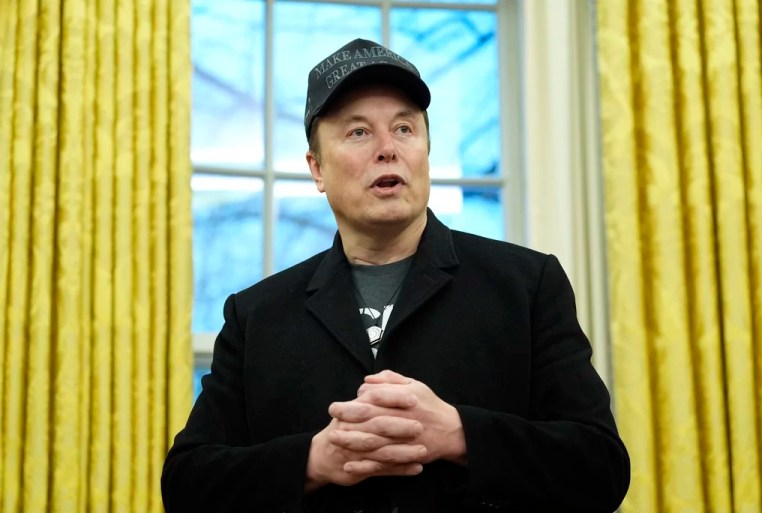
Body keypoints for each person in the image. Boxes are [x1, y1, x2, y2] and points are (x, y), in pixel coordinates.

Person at [161, 38, 630, 513]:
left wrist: (459, 434)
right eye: (358, 132)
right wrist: (312, 461)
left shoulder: (527, 285)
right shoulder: (256, 315)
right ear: (317, 168)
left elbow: (600, 468)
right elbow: (187, 484)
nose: (388, 149)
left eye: (404, 128)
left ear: (426, 151)